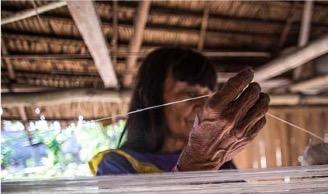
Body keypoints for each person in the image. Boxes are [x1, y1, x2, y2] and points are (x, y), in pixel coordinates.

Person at [89, 47, 270, 175]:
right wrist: (199, 164)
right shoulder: (117, 165)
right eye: (190, 94)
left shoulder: (220, 162)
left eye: (208, 96)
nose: (203, 106)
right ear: (150, 98)